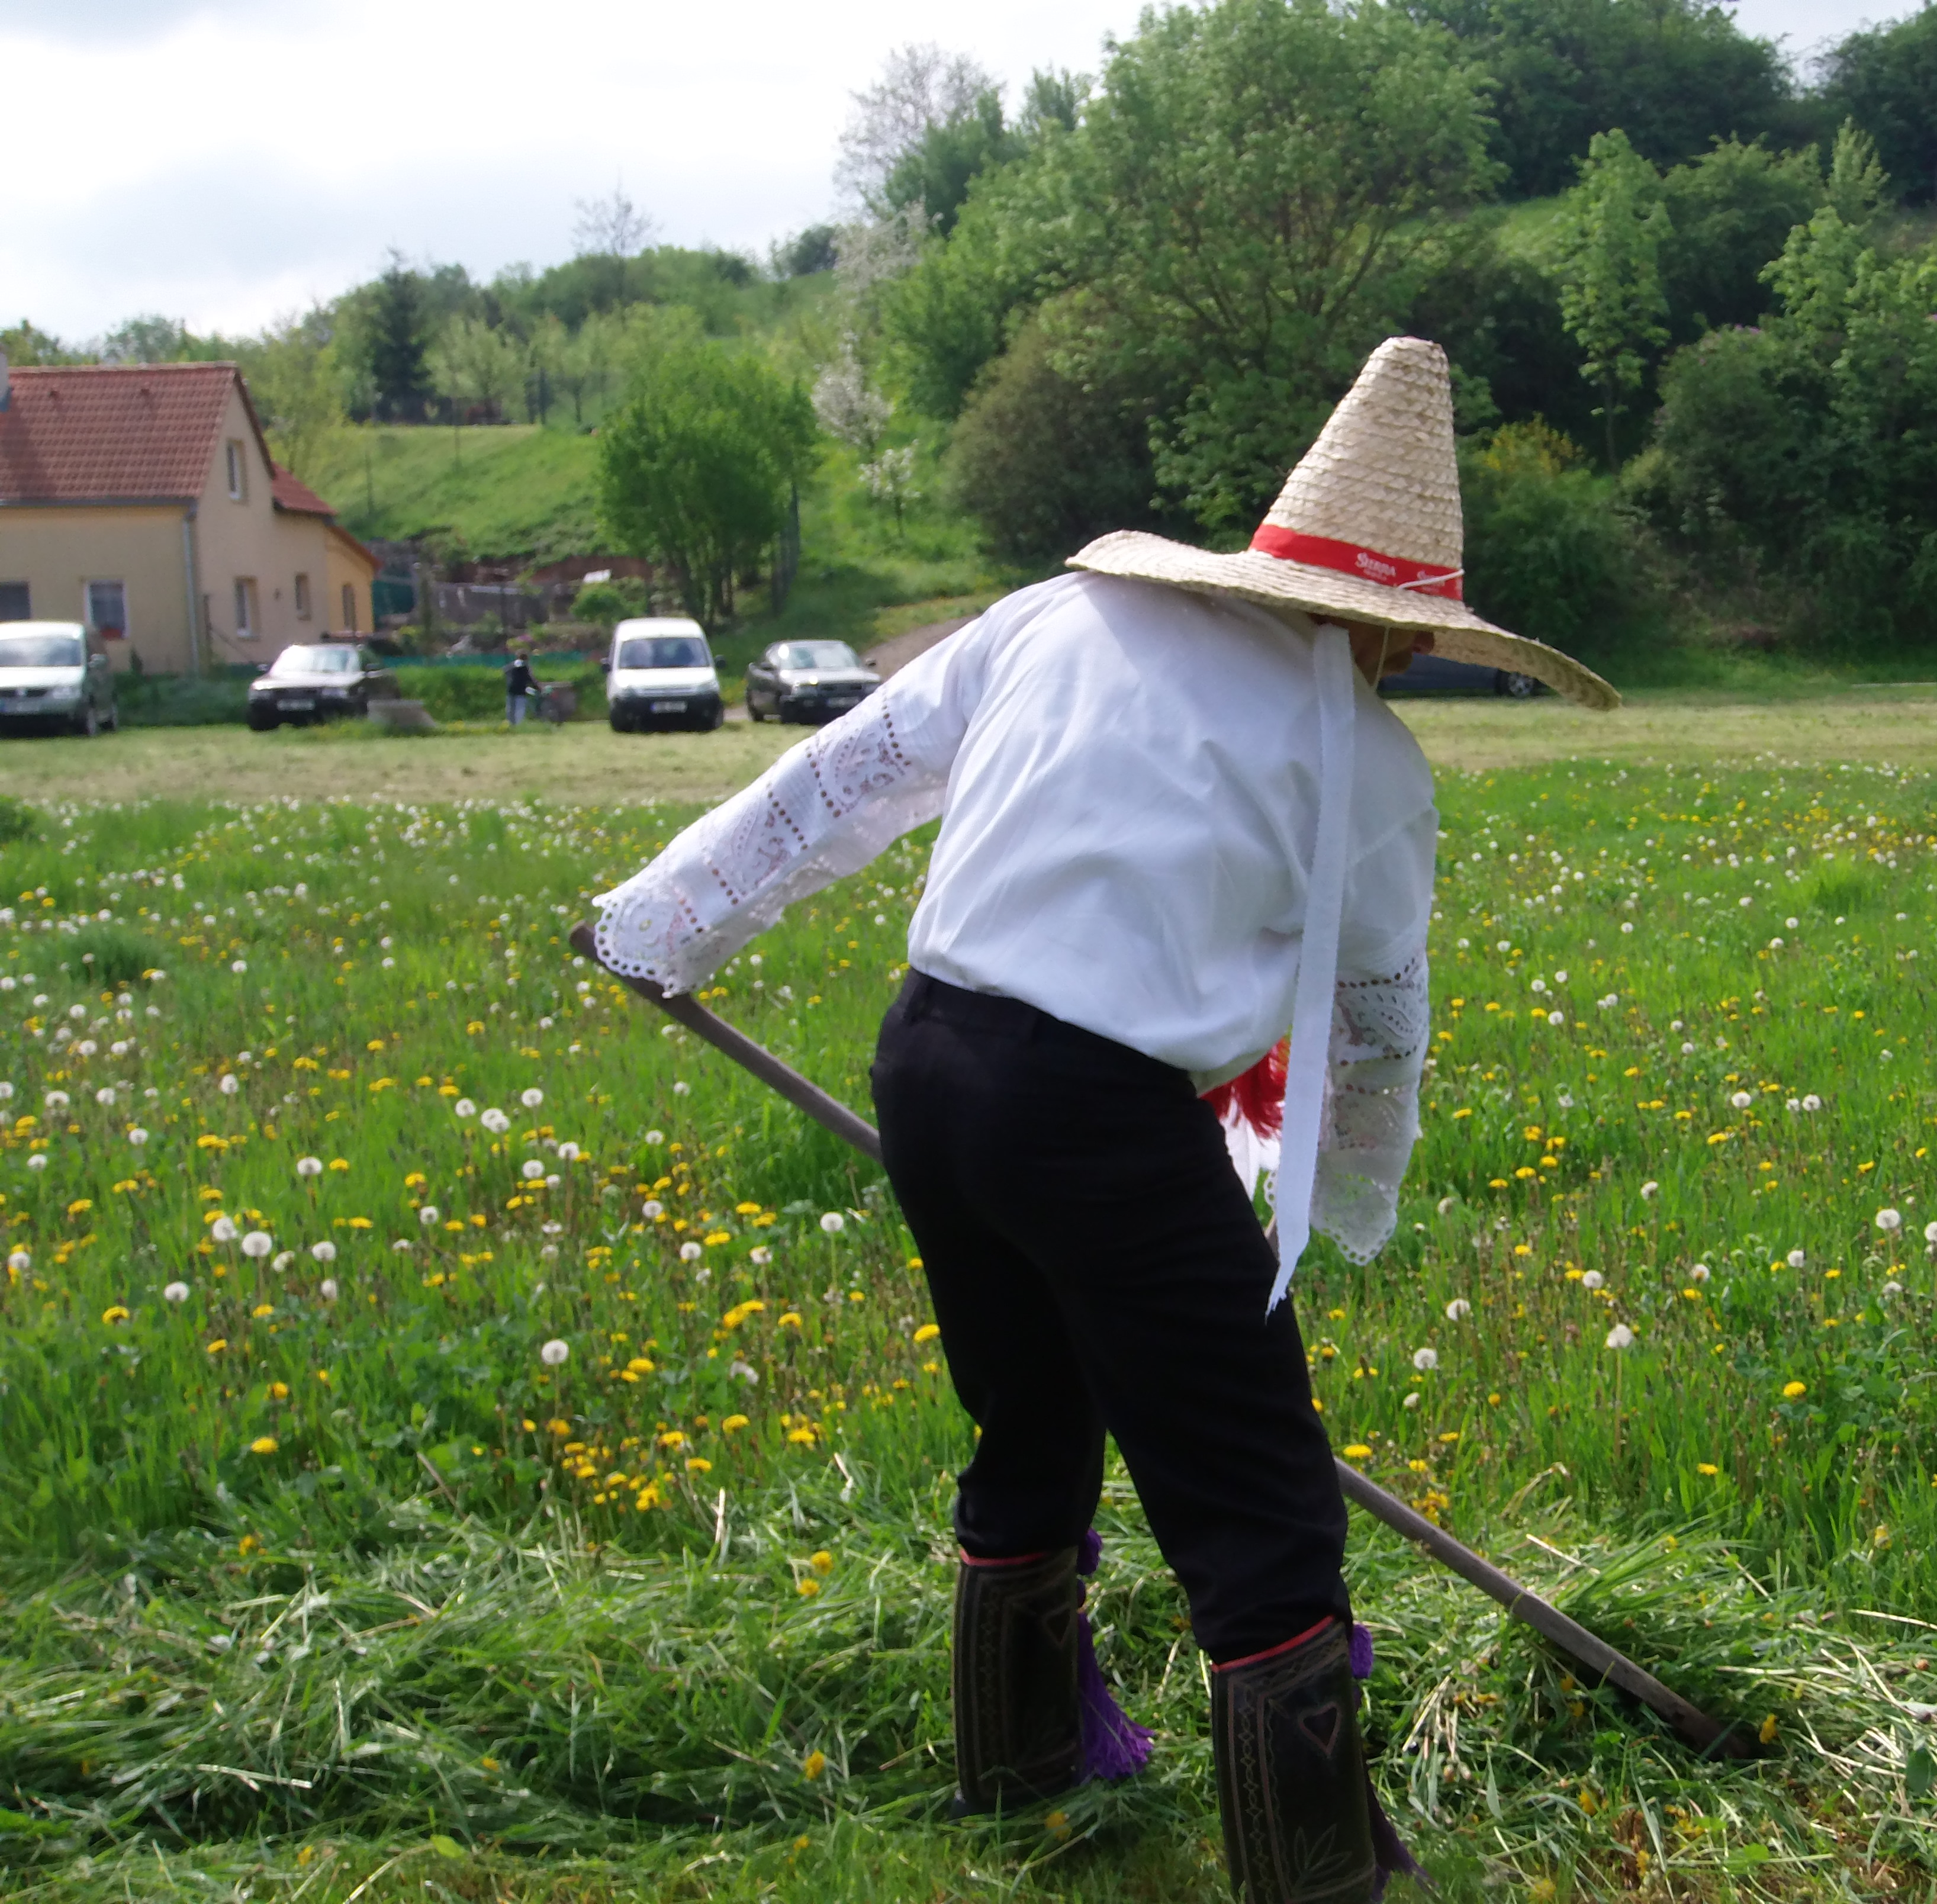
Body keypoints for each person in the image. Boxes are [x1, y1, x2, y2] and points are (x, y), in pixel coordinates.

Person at [588, 337, 1616, 1903]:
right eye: (1407, 640)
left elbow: (850, 772)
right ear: (1383, 621)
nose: (1400, 668)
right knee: (1259, 1493)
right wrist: (1344, 1203)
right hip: (1093, 1117)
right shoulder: (1370, 761)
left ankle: (1022, 1768)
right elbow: (1372, 1022)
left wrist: (665, 919)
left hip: (929, 1061)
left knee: (1034, 1416)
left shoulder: (1056, 620)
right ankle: (1324, 1872)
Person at [505, 645, 540, 726]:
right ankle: (517, 726)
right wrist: (538, 687)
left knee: (510, 710)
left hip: (511, 689)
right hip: (521, 691)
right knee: (519, 710)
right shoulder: (525, 667)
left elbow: (505, 671)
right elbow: (530, 679)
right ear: (527, 658)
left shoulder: (512, 665)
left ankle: (510, 725)